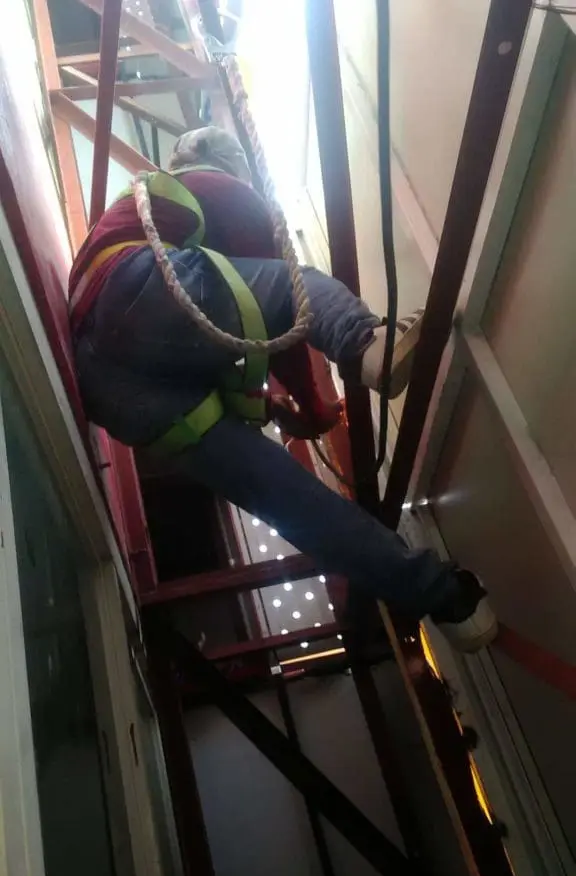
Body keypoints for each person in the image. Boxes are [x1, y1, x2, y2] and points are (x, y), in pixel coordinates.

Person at [69, 127, 497, 653]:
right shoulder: (207, 185)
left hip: (113, 387)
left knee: (289, 499)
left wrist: (278, 410)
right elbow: (278, 316)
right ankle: (367, 344)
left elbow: (208, 341)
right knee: (299, 282)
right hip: (135, 291)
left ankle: (450, 601)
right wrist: (315, 408)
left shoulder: (148, 206)